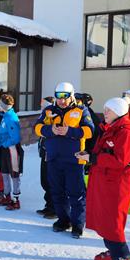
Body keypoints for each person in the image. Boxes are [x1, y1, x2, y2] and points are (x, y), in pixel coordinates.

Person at [84, 97, 130, 260]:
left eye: (109, 110)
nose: (105, 113)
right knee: (104, 219)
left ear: (119, 112)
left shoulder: (126, 133)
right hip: (106, 182)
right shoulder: (111, 128)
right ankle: (113, 252)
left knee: (112, 221)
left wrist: (93, 159)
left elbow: (120, 161)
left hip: (116, 185)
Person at [34, 82, 94, 238]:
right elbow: (37, 128)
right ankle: (63, 220)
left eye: (65, 97)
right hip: (54, 158)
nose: (61, 100)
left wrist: (69, 131)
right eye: (59, 96)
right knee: (57, 192)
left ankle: (78, 224)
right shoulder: (49, 111)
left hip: (74, 160)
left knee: (76, 193)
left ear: (71, 96)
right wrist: (50, 130)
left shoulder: (81, 110)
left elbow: (90, 131)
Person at [0, 94, 24, 210]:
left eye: (0, 104)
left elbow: (15, 138)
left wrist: (4, 143)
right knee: (5, 172)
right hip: (5, 149)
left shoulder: (11, 118)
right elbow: (2, 132)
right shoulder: (5, 115)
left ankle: (16, 200)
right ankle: (7, 196)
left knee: (14, 174)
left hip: (12, 149)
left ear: (4, 106)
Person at [35, 96, 56, 218]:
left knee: (52, 182)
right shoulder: (44, 115)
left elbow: (50, 131)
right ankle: (48, 205)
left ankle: (55, 208)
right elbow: (39, 129)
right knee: (45, 181)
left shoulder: (53, 116)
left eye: (44, 105)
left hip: (52, 154)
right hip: (44, 153)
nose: (42, 107)